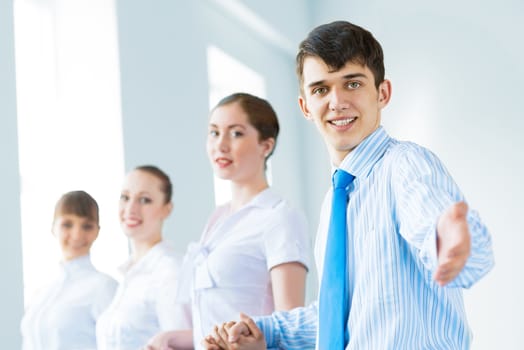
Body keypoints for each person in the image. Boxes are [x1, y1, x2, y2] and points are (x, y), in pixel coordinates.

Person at [203, 20, 495, 350]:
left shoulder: (404, 166)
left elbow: (438, 224)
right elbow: (340, 315)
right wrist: (265, 331)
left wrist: (452, 239)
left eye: (352, 84)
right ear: (305, 107)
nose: (337, 102)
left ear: (382, 93)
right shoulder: (336, 201)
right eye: (320, 89)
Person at [145, 93, 311, 350]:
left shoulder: (279, 217)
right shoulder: (218, 219)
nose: (220, 145)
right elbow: (217, 321)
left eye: (236, 134)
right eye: (214, 133)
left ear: (266, 146)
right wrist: (169, 339)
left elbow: (292, 327)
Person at [96, 165, 191, 350]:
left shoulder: (170, 272)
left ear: (167, 209)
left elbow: (180, 343)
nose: (131, 208)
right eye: (125, 197)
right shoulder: (129, 275)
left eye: (145, 200)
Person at [20, 190, 117, 350]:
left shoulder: (104, 287)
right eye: (67, 224)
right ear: (53, 228)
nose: (77, 235)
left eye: (87, 226)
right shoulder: (41, 293)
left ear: (97, 232)